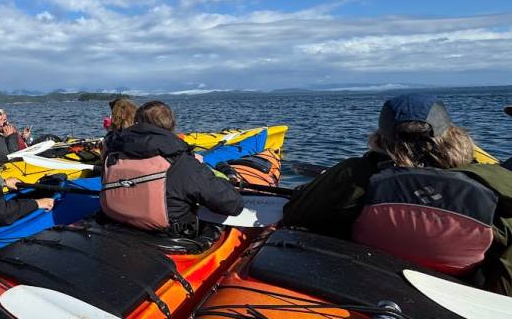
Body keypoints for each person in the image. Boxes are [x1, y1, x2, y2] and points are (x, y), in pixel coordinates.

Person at [281, 94, 512, 296]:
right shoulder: (497, 183)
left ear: (380, 137)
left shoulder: (356, 173)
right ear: (453, 136)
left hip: (361, 280)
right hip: (463, 294)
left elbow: (296, 214)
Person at [101, 101, 244, 236]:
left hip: (116, 223)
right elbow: (232, 205)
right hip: (168, 235)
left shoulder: (113, 153)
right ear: (171, 126)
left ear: (136, 123)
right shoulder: (181, 162)